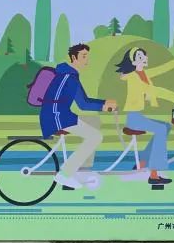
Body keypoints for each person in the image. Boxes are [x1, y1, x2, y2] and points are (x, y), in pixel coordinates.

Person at [38, 43, 117, 191]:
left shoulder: (69, 74)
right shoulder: (69, 77)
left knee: (93, 123)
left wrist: (104, 104)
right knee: (95, 137)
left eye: (87, 56)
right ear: (74, 58)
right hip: (56, 115)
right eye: (83, 56)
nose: (87, 60)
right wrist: (105, 105)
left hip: (60, 113)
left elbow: (83, 101)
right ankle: (65, 174)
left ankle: (76, 168)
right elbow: (83, 104)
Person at [116, 46, 174, 186]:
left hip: (137, 116)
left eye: (144, 55)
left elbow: (161, 69)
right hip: (133, 118)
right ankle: (154, 174)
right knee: (161, 129)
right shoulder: (133, 77)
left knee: (165, 126)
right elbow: (152, 89)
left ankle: (142, 162)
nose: (144, 58)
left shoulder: (142, 73)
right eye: (140, 57)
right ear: (133, 62)